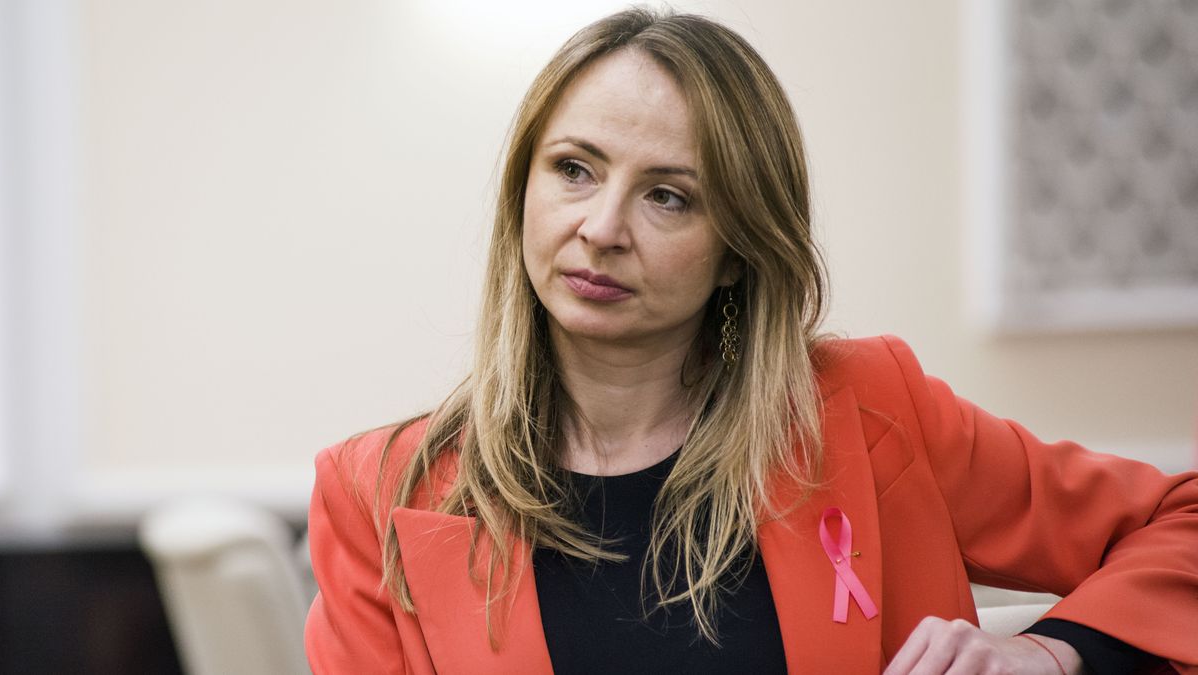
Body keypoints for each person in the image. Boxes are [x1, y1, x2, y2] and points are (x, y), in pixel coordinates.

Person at [304, 8, 1198, 674]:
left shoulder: (872, 408)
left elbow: (1182, 521)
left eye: (670, 195)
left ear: (738, 249)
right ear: (523, 194)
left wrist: (1051, 654)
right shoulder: (378, 492)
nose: (603, 227)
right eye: (574, 169)